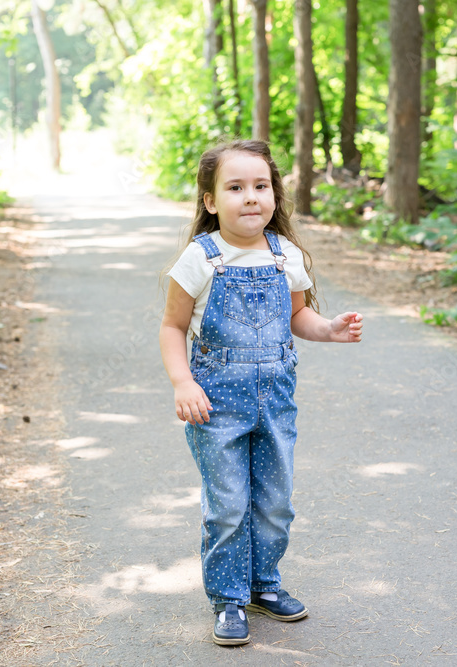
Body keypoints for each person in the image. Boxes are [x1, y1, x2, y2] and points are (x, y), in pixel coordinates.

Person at [159, 139, 364, 646]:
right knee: (229, 503)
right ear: (210, 201)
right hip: (216, 405)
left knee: (275, 502)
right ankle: (228, 597)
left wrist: (329, 328)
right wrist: (184, 382)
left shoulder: (284, 254)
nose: (251, 197)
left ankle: (263, 584)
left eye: (261, 186)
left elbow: (298, 316)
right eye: (235, 188)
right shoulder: (200, 258)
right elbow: (172, 327)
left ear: (274, 194)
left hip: (275, 400)